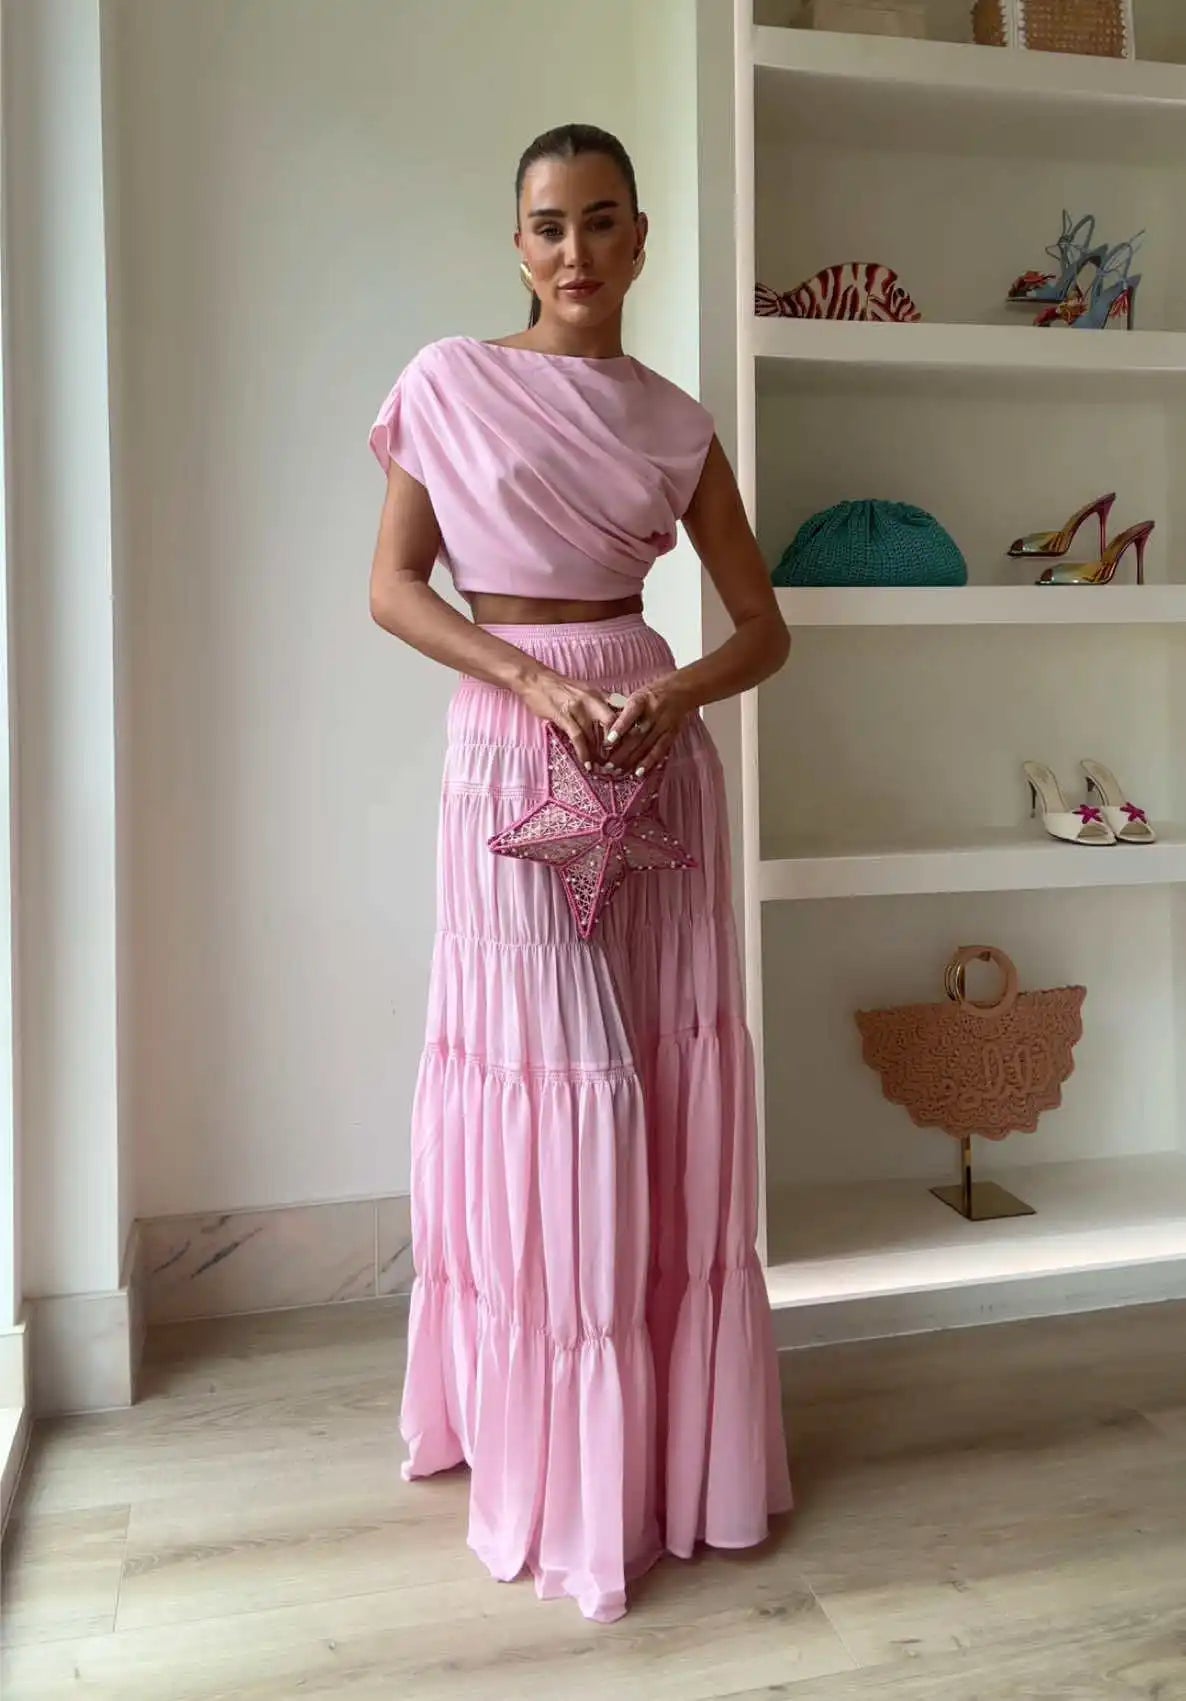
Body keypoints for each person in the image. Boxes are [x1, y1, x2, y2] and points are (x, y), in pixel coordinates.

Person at [368, 122, 793, 1625]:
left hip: (650, 739)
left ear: (639, 236)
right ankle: (547, 1457)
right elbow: (391, 586)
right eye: (545, 225)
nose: (571, 253)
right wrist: (530, 684)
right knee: (545, 1074)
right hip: (511, 738)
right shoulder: (444, 381)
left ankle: (657, 1463)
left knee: (656, 1082)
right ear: (515, 239)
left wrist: (669, 696)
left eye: (599, 223)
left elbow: (760, 625)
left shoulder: (678, 423)